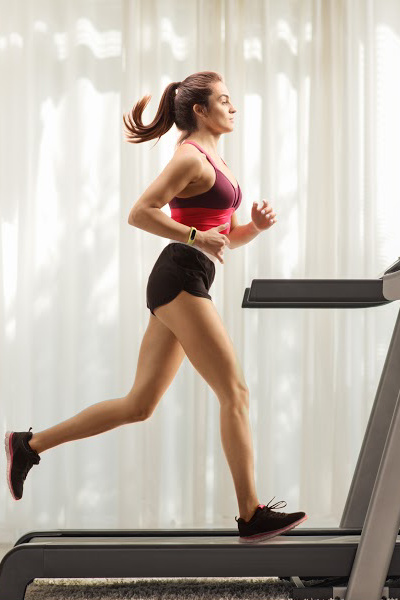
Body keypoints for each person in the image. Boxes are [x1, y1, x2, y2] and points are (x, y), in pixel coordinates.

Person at [5, 70, 307, 543]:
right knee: (236, 392)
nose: (234, 107)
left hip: (187, 274)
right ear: (200, 110)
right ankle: (251, 514)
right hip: (180, 276)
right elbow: (141, 211)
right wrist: (193, 235)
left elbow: (219, 238)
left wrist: (254, 229)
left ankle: (28, 444)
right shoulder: (190, 157)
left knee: (138, 405)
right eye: (224, 101)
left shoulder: (214, 158)